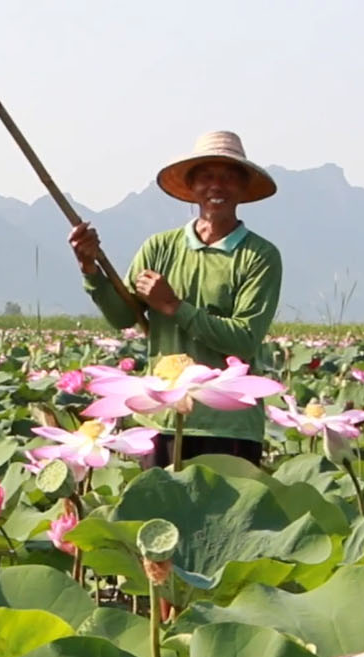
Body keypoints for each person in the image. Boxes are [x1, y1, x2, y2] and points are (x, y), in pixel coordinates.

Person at [69, 130, 283, 467]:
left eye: (228, 178)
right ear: (192, 187)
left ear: (243, 189)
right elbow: (124, 317)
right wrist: (91, 269)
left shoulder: (260, 256)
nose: (217, 186)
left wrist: (173, 307)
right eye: (207, 177)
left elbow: (243, 340)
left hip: (228, 425)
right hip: (161, 419)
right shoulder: (159, 247)